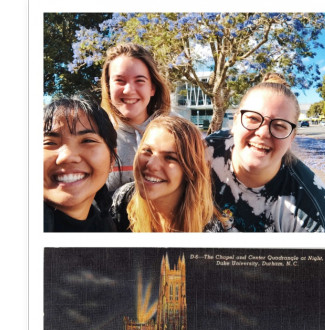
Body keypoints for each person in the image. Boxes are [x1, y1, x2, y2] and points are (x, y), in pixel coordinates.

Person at [206, 73, 325, 232]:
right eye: (253, 118)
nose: (263, 133)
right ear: (235, 122)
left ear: (292, 137)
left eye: (279, 125)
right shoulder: (202, 153)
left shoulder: (311, 210)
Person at [111, 116, 223, 232]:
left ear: (190, 170)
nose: (151, 165)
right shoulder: (122, 200)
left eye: (170, 158)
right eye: (147, 151)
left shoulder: (209, 229)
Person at [101, 42, 171, 192]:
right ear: (108, 87)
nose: (129, 90)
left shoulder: (176, 133)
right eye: (119, 80)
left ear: (152, 88)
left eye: (139, 81)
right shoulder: (95, 136)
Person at [43, 94, 119, 232]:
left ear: (112, 159)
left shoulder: (107, 228)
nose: (67, 156)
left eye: (87, 141)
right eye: (49, 143)